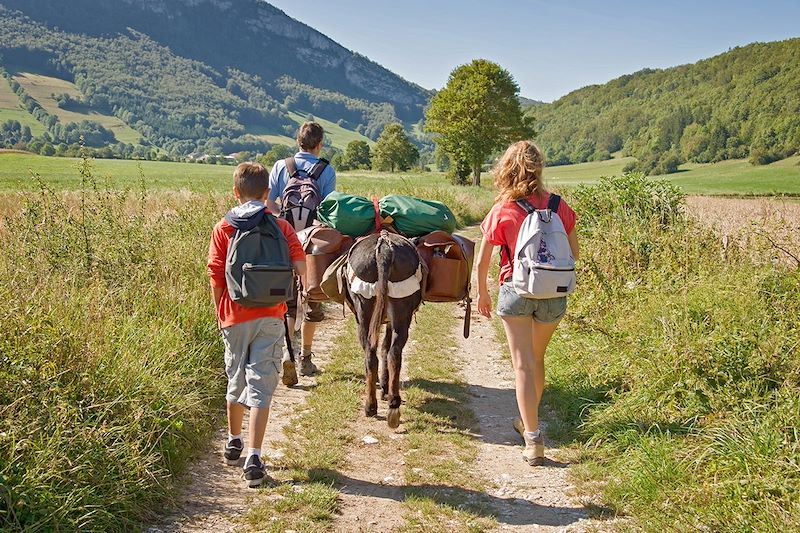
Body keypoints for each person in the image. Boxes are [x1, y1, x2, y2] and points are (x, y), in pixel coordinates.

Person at [476, 141, 580, 466]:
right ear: (539, 168)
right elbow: (573, 254)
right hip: (553, 294)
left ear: (506, 169)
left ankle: (532, 439)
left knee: (522, 364)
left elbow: (482, 261)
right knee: (537, 358)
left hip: (516, 290)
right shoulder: (560, 206)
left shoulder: (502, 209)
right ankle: (527, 419)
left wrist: (481, 292)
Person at [207, 162, 306, 487]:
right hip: (271, 315)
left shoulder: (224, 227)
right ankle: (254, 456)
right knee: (261, 385)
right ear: (267, 194)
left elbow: (216, 274)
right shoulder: (281, 226)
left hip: (234, 316)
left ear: (235, 193)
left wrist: (221, 311)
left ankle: (234, 439)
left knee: (235, 380)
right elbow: (301, 265)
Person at [266, 122, 336, 382]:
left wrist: (284, 225)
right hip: (313, 246)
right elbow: (329, 211)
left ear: (298, 142)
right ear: (319, 145)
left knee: (288, 302)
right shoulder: (326, 170)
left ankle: (287, 352)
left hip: (283, 241)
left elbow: (270, 203)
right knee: (312, 297)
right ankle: (306, 358)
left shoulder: (280, 166)